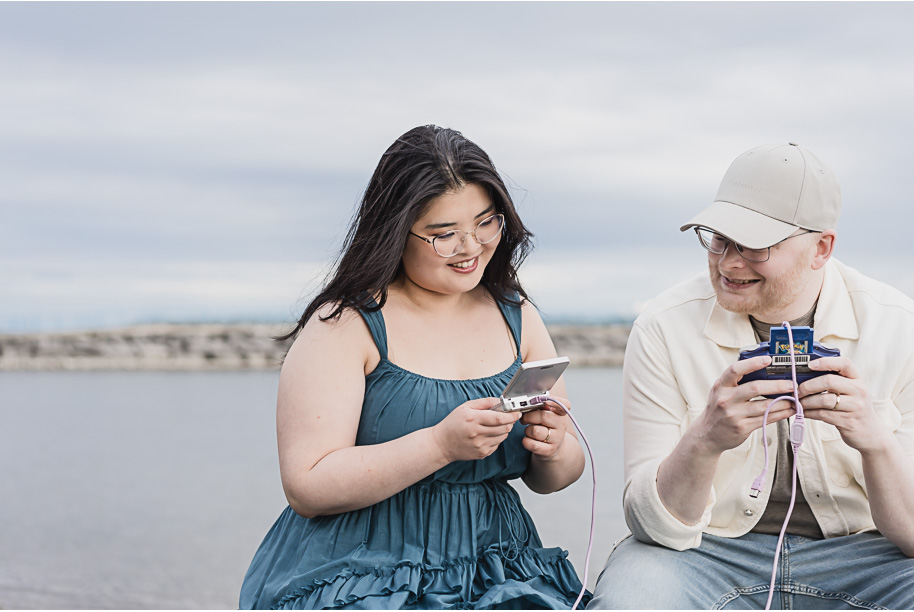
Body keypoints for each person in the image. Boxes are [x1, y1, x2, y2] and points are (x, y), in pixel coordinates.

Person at [239, 125, 589, 609]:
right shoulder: (346, 323)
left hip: (498, 565)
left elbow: (555, 476)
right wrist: (439, 444)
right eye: (444, 235)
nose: (470, 247)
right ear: (394, 231)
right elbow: (307, 485)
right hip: (357, 569)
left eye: (486, 223)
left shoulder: (517, 315)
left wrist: (551, 448)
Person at [589, 143, 914, 609]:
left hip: (868, 554)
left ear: (821, 248)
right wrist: (704, 439)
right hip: (704, 554)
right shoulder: (662, 326)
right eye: (718, 238)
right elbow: (651, 526)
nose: (728, 264)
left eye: (756, 246)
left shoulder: (901, 326)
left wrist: (875, 441)